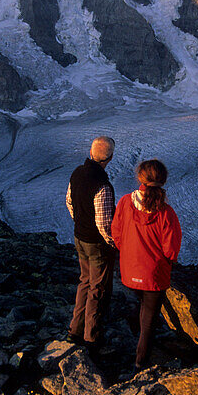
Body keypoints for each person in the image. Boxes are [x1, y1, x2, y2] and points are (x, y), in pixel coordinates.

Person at [111, 159, 182, 371]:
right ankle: (141, 362)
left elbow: (116, 232)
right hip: (154, 273)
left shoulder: (125, 202)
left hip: (130, 269)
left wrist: (128, 252)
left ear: (140, 178)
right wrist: (168, 262)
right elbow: (171, 248)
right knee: (150, 317)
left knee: (141, 307)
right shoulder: (165, 212)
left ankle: (132, 348)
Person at [66, 136, 117, 347]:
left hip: (80, 238)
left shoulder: (77, 173)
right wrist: (112, 244)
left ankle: (75, 329)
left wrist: (80, 223)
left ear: (90, 152)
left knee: (84, 282)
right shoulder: (102, 185)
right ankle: (92, 337)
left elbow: (69, 201)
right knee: (97, 288)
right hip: (96, 244)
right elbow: (104, 224)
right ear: (110, 158)